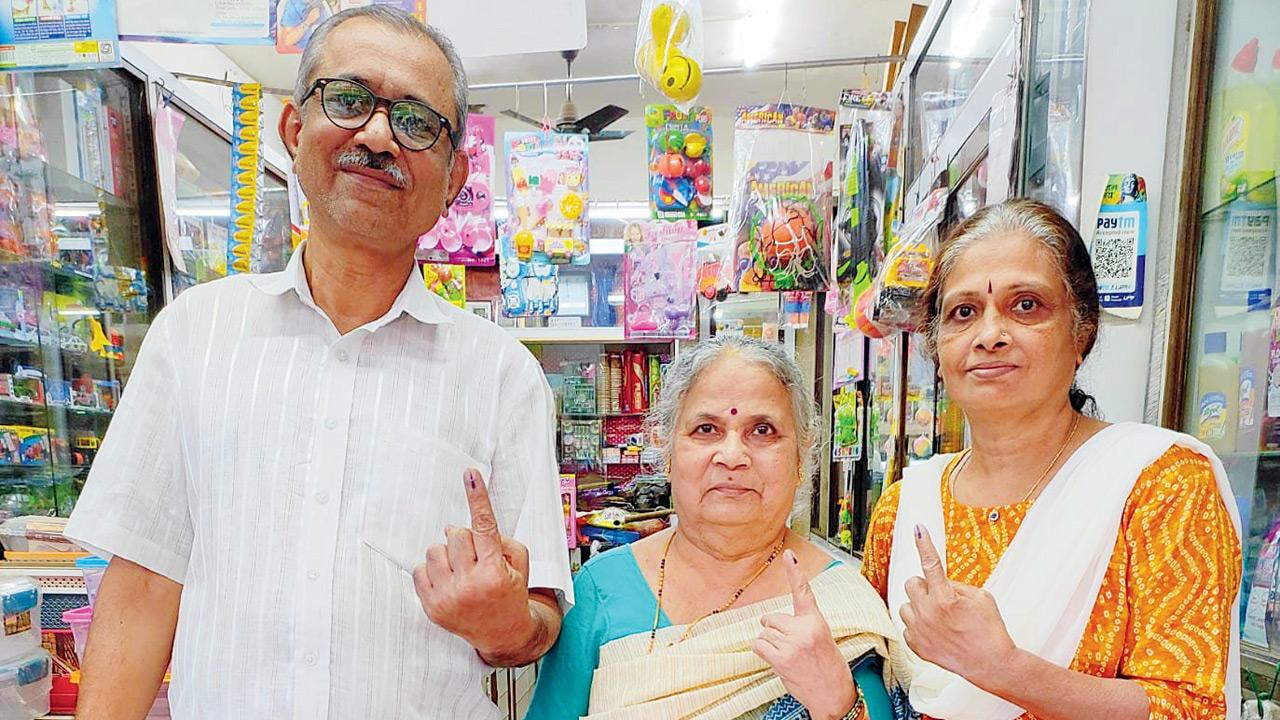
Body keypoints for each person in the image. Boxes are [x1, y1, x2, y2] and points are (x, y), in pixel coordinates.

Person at [65, 7, 572, 719]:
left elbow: (540, 613)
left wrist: (505, 623)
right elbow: (144, 585)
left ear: (455, 177)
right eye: (349, 99)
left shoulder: (502, 376)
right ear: (295, 131)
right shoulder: (194, 337)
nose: (376, 135)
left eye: (417, 122)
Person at [861, 198, 1243, 720]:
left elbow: (1193, 710)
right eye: (963, 312)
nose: (990, 335)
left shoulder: (1159, 484)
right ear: (937, 346)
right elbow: (879, 691)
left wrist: (1005, 669)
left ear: (1081, 333)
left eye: (1026, 306)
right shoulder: (907, 507)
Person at [527, 335, 909, 720]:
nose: (732, 456)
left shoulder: (842, 605)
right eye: (706, 429)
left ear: (801, 455)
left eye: (763, 431)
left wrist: (839, 702)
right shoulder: (600, 588)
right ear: (667, 451)